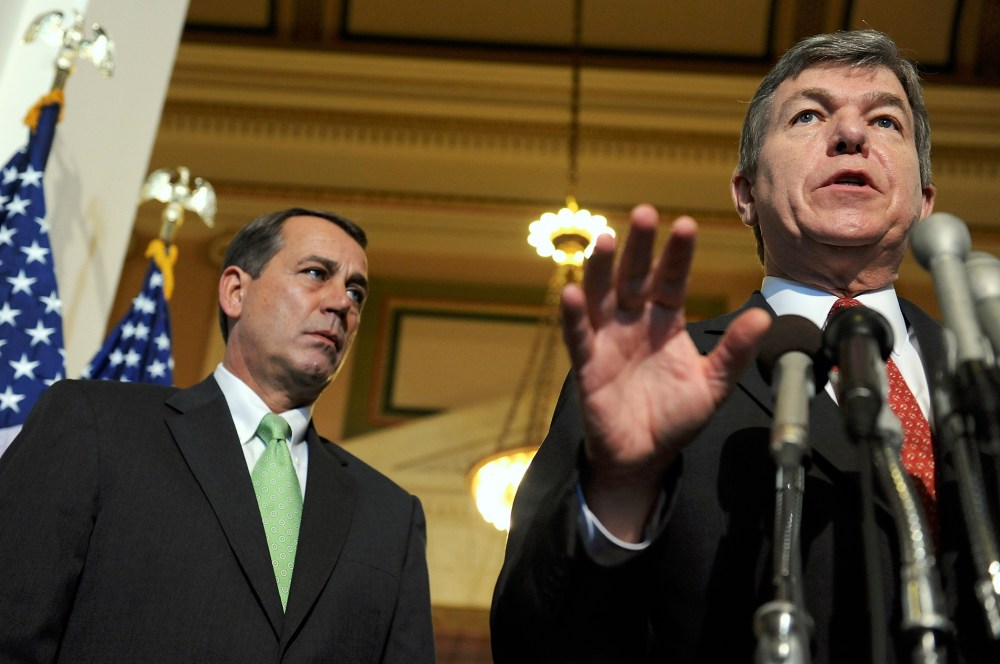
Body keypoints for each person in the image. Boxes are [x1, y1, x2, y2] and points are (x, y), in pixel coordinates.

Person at [492, 30, 998, 663]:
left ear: (924, 201)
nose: (851, 136)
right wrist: (620, 493)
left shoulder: (988, 374)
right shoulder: (656, 376)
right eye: (809, 115)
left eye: (885, 120)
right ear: (745, 194)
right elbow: (533, 644)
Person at [0, 208, 435, 662]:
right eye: (315, 273)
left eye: (355, 292)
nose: (341, 302)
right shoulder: (97, 426)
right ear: (235, 291)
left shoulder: (390, 517)